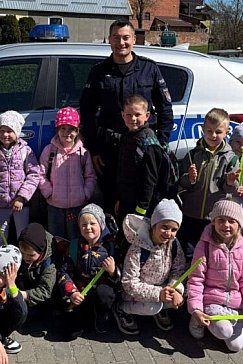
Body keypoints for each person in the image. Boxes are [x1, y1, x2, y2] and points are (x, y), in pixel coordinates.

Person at [79, 19, 173, 211]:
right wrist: (94, 149)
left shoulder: (149, 69)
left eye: (125, 37)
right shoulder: (98, 72)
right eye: (116, 37)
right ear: (109, 40)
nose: (121, 42)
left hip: (142, 150)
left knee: (143, 199)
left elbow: (165, 109)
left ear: (134, 40)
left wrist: (160, 144)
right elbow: (87, 112)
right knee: (110, 202)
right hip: (109, 150)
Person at [186, 200, 243, 352]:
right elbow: (196, 280)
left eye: (232, 221)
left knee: (236, 347)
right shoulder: (204, 246)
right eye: (221, 220)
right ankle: (198, 320)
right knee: (224, 331)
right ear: (213, 222)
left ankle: (226, 321)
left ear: (239, 225)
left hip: (235, 304)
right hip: (211, 300)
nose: (226, 225)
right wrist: (196, 309)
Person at [115, 199, 186, 335]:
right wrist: (158, 294)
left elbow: (179, 269)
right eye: (164, 227)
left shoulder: (174, 244)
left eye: (174, 229)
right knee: (153, 307)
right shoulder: (138, 248)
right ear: (154, 225)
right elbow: (129, 283)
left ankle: (160, 305)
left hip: (161, 287)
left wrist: (174, 289)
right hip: (133, 293)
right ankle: (122, 309)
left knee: (180, 297)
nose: (168, 233)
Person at [177, 108, 238, 257]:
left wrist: (230, 182)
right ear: (203, 129)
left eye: (218, 132)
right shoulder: (193, 154)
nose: (213, 135)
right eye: (209, 131)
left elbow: (232, 190)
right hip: (190, 213)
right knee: (188, 252)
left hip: (214, 217)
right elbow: (181, 184)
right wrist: (189, 178)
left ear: (227, 132)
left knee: (210, 252)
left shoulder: (231, 159)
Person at [0, 110, 43, 249]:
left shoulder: (25, 151)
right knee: (1, 236)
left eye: (10, 131)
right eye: (2, 130)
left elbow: (34, 174)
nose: (5, 135)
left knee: (23, 234)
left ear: (17, 132)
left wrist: (22, 197)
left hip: (20, 204)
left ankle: (24, 259)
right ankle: (0, 259)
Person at [57, 204, 120, 338]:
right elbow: (64, 272)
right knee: (70, 333)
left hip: (101, 290)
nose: (88, 227)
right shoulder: (74, 246)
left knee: (104, 294)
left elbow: (121, 276)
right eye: (84, 224)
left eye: (92, 223)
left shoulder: (110, 247)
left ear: (101, 225)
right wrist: (72, 292)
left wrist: (113, 271)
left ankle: (103, 314)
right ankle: (86, 315)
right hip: (81, 292)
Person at [38, 106, 97, 239]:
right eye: (63, 128)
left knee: (75, 238)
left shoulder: (83, 152)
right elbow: (40, 174)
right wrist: (49, 192)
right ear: (57, 130)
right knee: (55, 238)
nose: (67, 133)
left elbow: (90, 176)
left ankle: (74, 254)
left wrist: (85, 193)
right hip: (55, 204)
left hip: (77, 205)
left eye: (71, 129)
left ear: (77, 131)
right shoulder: (50, 150)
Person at [115, 95, 164, 220]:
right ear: (122, 115)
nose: (133, 119)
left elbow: (150, 180)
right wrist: (120, 199)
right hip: (127, 201)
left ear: (147, 116)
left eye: (138, 115)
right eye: (129, 115)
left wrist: (140, 211)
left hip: (140, 208)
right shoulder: (128, 136)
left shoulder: (147, 141)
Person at [16, 223, 57, 309]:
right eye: (22, 253)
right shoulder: (20, 251)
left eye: (31, 255)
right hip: (27, 280)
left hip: (45, 294)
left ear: (41, 251)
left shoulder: (49, 264)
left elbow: (45, 291)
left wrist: (23, 295)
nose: (25, 257)